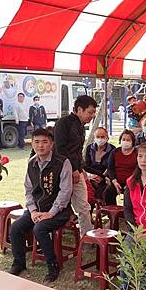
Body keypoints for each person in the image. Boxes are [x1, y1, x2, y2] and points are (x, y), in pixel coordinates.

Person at [8, 128, 72, 281]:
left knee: (40, 229)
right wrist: (33, 211)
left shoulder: (62, 163)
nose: (40, 145)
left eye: (44, 142)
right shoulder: (32, 163)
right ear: (32, 144)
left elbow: (65, 192)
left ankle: (53, 265)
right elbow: (28, 190)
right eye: (36, 142)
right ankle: (19, 263)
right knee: (16, 227)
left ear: (52, 143)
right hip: (37, 210)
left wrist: (51, 213)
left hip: (59, 211)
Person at [54, 95, 97, 237]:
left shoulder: (81, 126)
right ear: (79, 109)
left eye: (93, 113)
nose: (91, 116)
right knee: (58, 204)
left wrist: (81, 168)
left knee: (83, 206)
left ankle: (87, 236)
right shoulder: (63, 123)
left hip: (77, 170)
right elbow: (60, 150)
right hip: (63, 172)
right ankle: (53, 234)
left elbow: (78, 151)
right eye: (89, 112)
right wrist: (72, 169)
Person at [105, 129, 138, 205]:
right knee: (109, 191)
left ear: (132, 141)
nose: (125, 141)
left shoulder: (136, 153)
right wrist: (114, 181)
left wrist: (130, 182)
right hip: (116, 181)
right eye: (123, 139)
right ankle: (112, 214)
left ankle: (127, 213)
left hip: (132, 181)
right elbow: (110, 168)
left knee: (129, 194)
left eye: (128, 140)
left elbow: (138, 169)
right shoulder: (115, 152)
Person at [84, 127, 114, 201]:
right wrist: (93, 176)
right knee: (88, 188)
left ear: (107, 138)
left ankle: (101, 206)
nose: (100, 139)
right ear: (94, 138)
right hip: (92, 175)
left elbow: (110, 166)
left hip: (105, 175)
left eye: (102, 137)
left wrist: (102, 176)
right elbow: (86, 165)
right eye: (98, 137)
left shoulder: (112, 149)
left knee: (105, 188)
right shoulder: (89, 148)